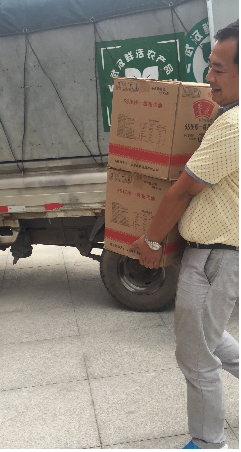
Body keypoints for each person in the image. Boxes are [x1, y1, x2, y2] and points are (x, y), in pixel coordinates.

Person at [130, 20, 239, 450]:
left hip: (215, 257)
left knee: (196, 356)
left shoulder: (234, 126)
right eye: (209, 66)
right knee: (207, 338)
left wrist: (151, 242)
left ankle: (209, 443)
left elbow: (182, 190)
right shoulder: (228, 117)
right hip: (218, 253)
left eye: (218, 69)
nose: (208, 77)